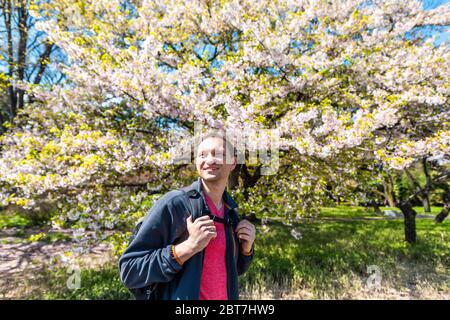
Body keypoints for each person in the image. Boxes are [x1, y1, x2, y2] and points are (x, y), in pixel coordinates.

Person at [119, 132, 256, 300]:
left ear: (233, 162)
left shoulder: (230, 210)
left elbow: (231, 270)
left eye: (218, 154)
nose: (209, 160)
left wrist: (246, 249)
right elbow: (130, 270)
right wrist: (189, 247)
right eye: (202, 155)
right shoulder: (175, 204)